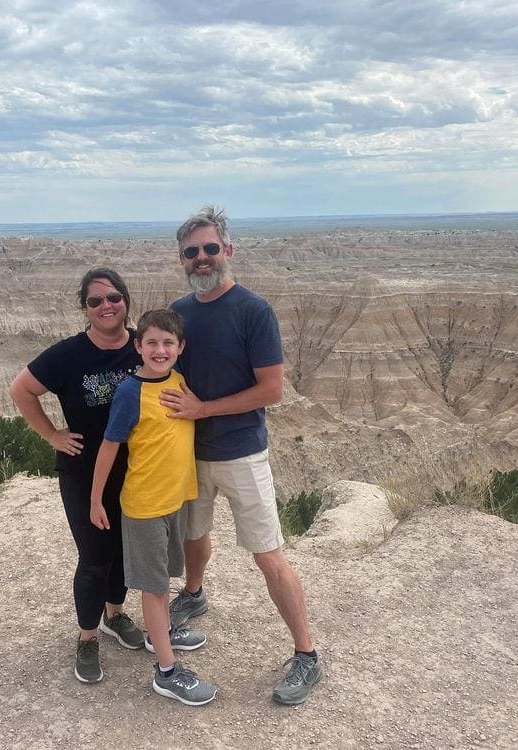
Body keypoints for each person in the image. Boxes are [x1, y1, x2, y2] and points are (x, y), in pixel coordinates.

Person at [160, 205, 323, 705]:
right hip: (189, 452)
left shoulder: (254, 311)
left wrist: (203, 408)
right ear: (183, 260)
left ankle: (307, 655)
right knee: (194, 534)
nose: (203, 258)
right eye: (193, 252)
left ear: (228, 251)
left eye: (211, 249)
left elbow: (271, 389)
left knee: (268, 554)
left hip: (240, 452)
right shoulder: (178, 313)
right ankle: (193, 593)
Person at [9, 268, 144, 684]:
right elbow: (21, 390)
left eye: (113, 297)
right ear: (84, 308)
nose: (107, 306)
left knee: (123, 551)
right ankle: (87, 637)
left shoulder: (143, 344)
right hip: (84, 473)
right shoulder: (68, 354)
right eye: (95, 300)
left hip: (135, 471)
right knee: (94, 558)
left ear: (125, 299)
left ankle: (113, 615)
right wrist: (52, 434)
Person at [90, 309, 218, 706]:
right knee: (155, 588)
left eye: (168, 343)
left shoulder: (180, 382)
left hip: (176, 500)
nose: (159, 350)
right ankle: (166, 671)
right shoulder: (131, 392)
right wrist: (95, 498)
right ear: (138, 347)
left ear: (180, 348)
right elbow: (110, 445)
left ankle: (158, 634)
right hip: (145, 506)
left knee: (165, 577)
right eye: (151, 343)